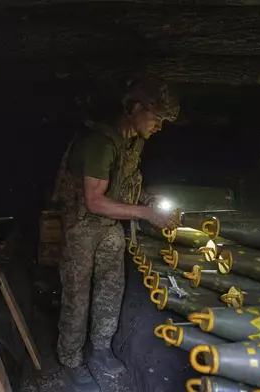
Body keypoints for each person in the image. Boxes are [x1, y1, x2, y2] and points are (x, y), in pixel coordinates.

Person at [52, 78, 181, 391]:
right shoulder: (99, 142)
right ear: (136, 108)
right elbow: (95, 200)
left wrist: (149, 200)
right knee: (77, 294)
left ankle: (100, 349)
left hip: (111, 225)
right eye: (157, 118)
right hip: (82, 225)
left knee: (111, 290)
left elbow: (127, 184)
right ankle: (70, 358)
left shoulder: (132, 142)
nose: (159, 127)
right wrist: (147, 214)